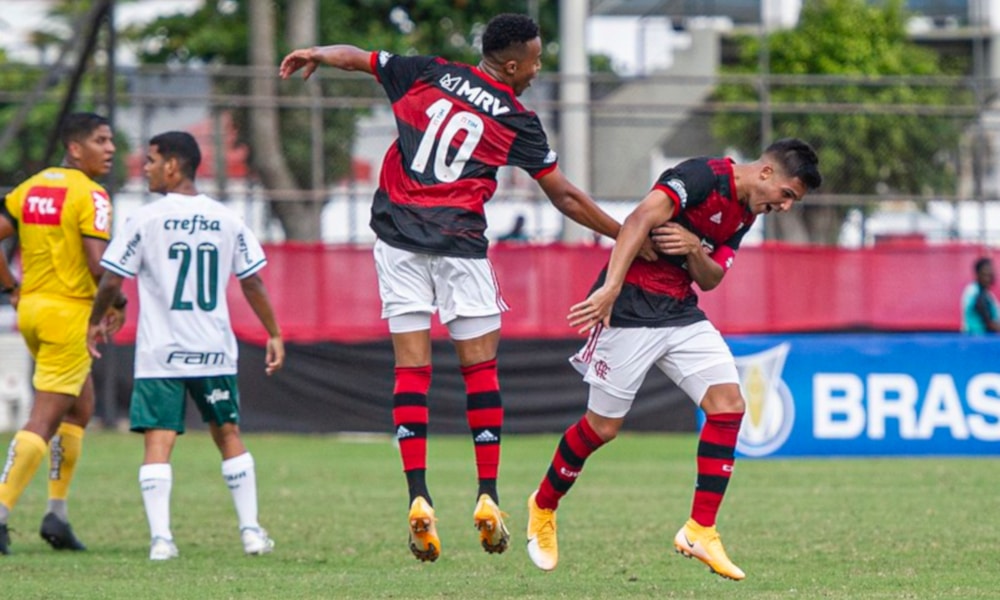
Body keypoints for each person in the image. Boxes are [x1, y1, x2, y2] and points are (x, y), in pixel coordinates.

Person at [279, 13, 656, 563]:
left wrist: (314, 50)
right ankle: (488, 494)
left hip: (398, 241)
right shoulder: (518, 119)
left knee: (411, 371)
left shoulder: (424, 72)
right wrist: (626, 233)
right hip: (460, 247)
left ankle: (417, 496)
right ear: (510, 64)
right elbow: (566, 198)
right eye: (533, 60)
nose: (536, 68)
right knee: (480, 373)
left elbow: (359, 56)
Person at [524, 139, 823, 580]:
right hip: (628, 308)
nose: (784, 207)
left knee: (729, 405)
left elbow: (713, 277)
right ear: (766, 174)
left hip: (680, 313)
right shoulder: (702, 176)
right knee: (602, 428)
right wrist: (609, 288)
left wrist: (692, 248)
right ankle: (543, 504)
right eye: (787, 195)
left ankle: (700, 528)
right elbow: (640, 218)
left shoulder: (747, 212)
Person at [86, 131, 285, 560]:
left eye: (153, 160)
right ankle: (251, 532)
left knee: (158, 441)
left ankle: (162, 540)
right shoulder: (227, 218)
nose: (147, 168)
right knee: (229, 434)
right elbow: (251, 280)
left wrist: (94, 320)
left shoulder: (144, 219)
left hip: (161, 353)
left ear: (173, 166)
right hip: (213, 350)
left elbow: (111, 279)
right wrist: (274, 332)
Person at [0, 112, 125, 555]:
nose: (110, 148)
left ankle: (57, 516)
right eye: (100, 140)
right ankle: (0, 510)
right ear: (75, 148)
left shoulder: (30, 187)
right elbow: (98, 265)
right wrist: (117, 303)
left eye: (111, 140)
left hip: (32, 310)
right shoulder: (91, 195)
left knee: (79, 409)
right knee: (45, 417)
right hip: (69, 314)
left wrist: (11, 287)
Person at [960, 257, 998, 334]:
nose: (987, 279)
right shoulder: (976, 293)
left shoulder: (988, 295)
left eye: (990, 275)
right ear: (977, 275)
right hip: (977, 341)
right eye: (984, 275)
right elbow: (991, 324)